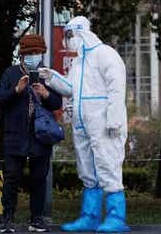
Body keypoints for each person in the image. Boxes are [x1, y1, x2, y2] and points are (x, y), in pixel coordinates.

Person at [40, 16, 130, 233]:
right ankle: (89, 217)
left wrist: (114, 119)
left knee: (108, 165)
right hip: (82, 122)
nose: (68, 41)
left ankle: (116, 218)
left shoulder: (106, 55)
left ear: (82, 33)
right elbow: (71, 87)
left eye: (71, 36)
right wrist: (50, 77)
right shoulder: (79, 62)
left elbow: (117, 89)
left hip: (104, 123)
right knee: (86, 169)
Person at [0, 34, 63, 233]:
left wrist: (46, 93)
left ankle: (36, 220)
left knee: (39, 178)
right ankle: (7, 220)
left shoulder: (47, 75)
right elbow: (1, 98)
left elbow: (57, 103)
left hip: (41, 136)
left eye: (39, 52)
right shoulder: (11, 72)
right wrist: (17, 89)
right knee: (11, 178)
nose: (35, 56)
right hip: (15, 134)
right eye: (31, 53)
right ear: (23, 54)